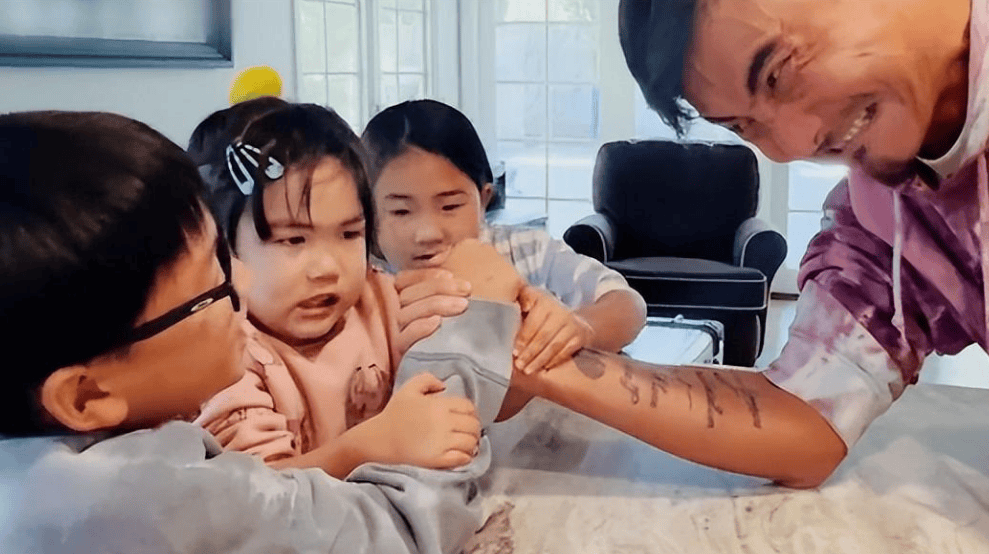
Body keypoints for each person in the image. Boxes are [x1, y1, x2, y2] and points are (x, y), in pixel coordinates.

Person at [0, 110, 520, 553]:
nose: (242, 284)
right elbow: (392, 529)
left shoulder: (374, 296)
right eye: (214, 277)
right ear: (86, 396)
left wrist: (513, 318)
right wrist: (471, 333)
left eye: (349, 233)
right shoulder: (140, 504)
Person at [594, 0, 988, 486]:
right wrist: (536, 358)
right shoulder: (882, 226)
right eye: (742, 125)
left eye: (777, 73)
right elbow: (808, 413)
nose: (795, 145)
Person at [361, 99, 647, 375]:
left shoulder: (525, 252)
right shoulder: (363, 283)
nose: (428, 233)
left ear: (484, 199)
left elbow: (628, 305)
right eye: (400, 211)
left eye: (450, 207)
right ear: (369, 213)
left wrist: (582, 328)